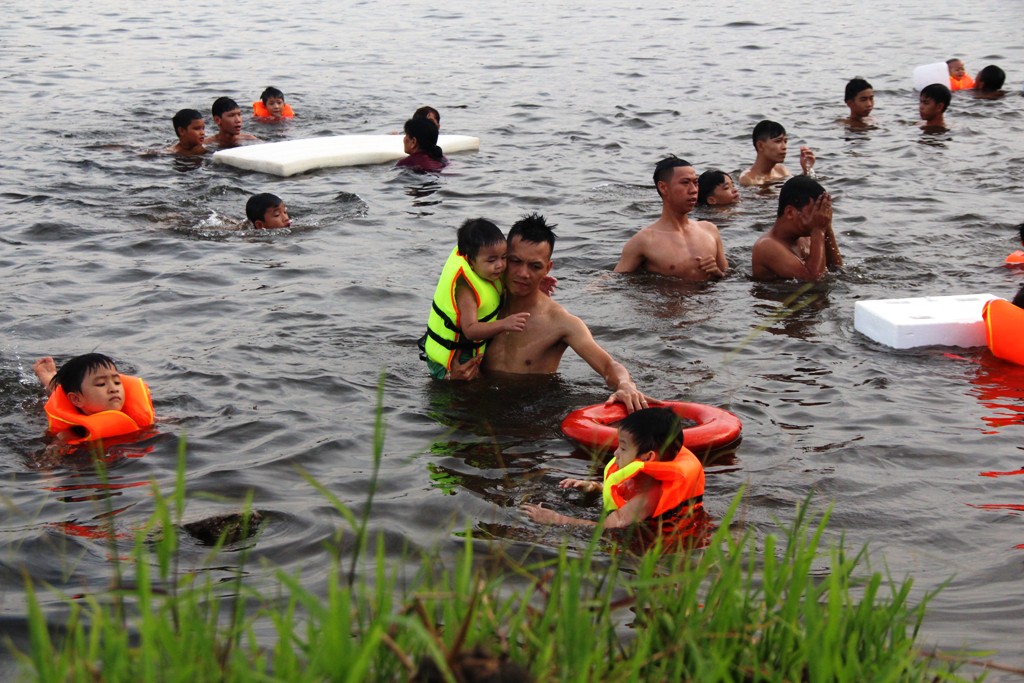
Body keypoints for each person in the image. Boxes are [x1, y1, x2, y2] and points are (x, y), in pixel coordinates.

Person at [453, 213, 646, 412]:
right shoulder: (481, 304)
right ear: (503, 259)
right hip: (478, 408)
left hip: (531, 419)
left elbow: (608, 366)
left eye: (534, 266)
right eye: (516, 261)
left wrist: (626, 385)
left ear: (547, 268)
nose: (523, 273)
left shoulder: (560, 323)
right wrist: (455, 376)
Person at [522, 407, 704, 529]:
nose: (616, 453)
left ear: (648, 457)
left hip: (656, 537)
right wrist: (594, 487)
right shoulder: (642, 476)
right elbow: (624, 493)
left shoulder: (650, 496)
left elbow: (610, 525)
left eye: (623, 448)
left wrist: (556, 519)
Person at [422, 218, 530, 379]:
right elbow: (471, 330)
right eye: (491, 260)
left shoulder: (487, 272)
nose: (500, 265)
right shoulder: (466, 289)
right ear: (471, 261)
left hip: (466, 346)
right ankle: (447, 380)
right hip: (453, 357)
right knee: (468, 392)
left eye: (504, 257)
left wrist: (533, 284)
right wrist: (504, 324)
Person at [615, 157, 728, 280]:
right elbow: (615, 280)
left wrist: (717, 273)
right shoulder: (644, 241)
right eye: (685, 183)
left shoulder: (710, 230)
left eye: (695, 183)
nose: (693, 190)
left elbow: (729, 277)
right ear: (663, 187)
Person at [32, 354, 155, 445]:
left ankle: (52, 382)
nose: (113, 389)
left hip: (80, 396)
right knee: (56, 396)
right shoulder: (70, 434)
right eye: (101, 384)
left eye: (117, 382)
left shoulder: (136, 416)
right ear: (76, 399)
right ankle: (50, 380)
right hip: (75, 408)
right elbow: (48, 459)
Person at [751, 175, 842, 281]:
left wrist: (827, 228)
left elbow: (836, 270)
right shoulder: (766, 246)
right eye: (814, 212)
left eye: (821, 212)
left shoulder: (806, 238)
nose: (819, 217)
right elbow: (815, 280)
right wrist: (818, 230)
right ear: (790, 212)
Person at [739, 120, 816, 186]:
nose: (784, 147)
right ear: (760, 146)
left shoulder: (781, 170)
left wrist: (806, 170)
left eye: (785, 141)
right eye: (778, 141)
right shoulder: (748, 179)